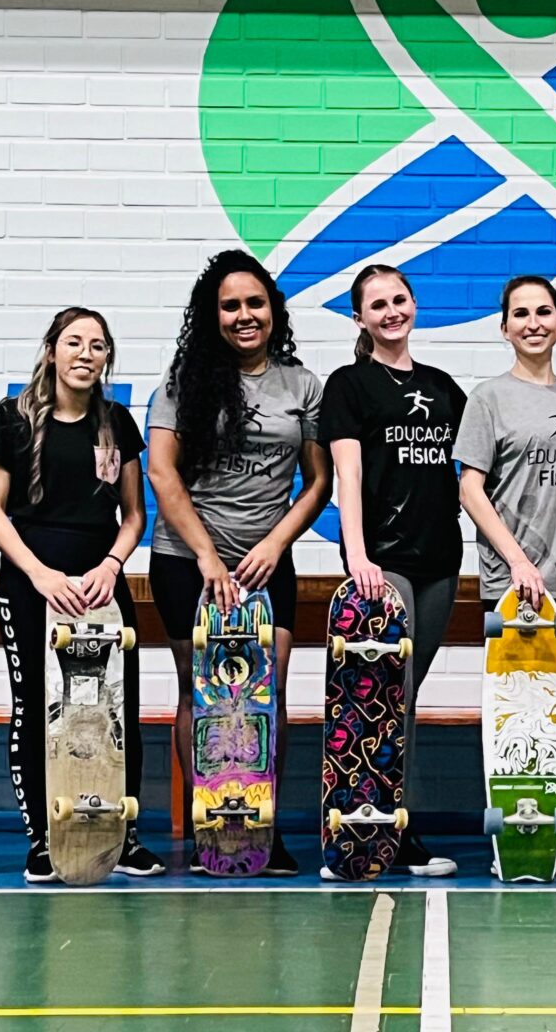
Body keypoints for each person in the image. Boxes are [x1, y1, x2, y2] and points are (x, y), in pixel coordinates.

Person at [145, 250, 330, 876]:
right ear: (212, 314)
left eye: (256, 303)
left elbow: (318, 482)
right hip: (186, 562)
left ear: (274, 310)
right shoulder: (182, 382)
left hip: (264, 566)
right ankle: (210, 832)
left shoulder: (302, 385)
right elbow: (161, 472)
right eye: (230, 306)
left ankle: (259, 831)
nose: (244, 315)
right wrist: (207, 556)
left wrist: (275, 544)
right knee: (198, 694)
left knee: (265, 695)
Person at [0, 307, 155, 883]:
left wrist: (111, 564)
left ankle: (121, 839)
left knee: (116, 711)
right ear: (52, 350)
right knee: (38, 709)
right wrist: (41, 575)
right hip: (32, 587)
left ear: (107, 358)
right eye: (74, 342)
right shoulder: (13, 418)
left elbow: (134, 516)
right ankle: (43, 838)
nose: (85, 353)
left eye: (97, 345)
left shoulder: (117, 423)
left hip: (101, 589)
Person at [453, 275, 556, 878]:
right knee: (515, 716)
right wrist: (518, 560)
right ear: (504, 328)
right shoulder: (488, 398)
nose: (533, 323)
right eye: (520, 314)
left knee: (548, 717)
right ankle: (512, 842)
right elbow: (470, 489)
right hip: (514, 585)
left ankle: (539, 837)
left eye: (544, 312)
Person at [319, 264, 465, 878]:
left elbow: (474, 474)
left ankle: (385, 825)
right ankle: (369, 829)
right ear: (359, 318)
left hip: (441, 560)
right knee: (383, 697)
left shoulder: (443, 387)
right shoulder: (349, 384)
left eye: (399, 300)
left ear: (414, 305)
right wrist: (358, 555)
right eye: (376, 305)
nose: (391, 312)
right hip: (383, 562)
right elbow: (347, 475)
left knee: (403, 697)